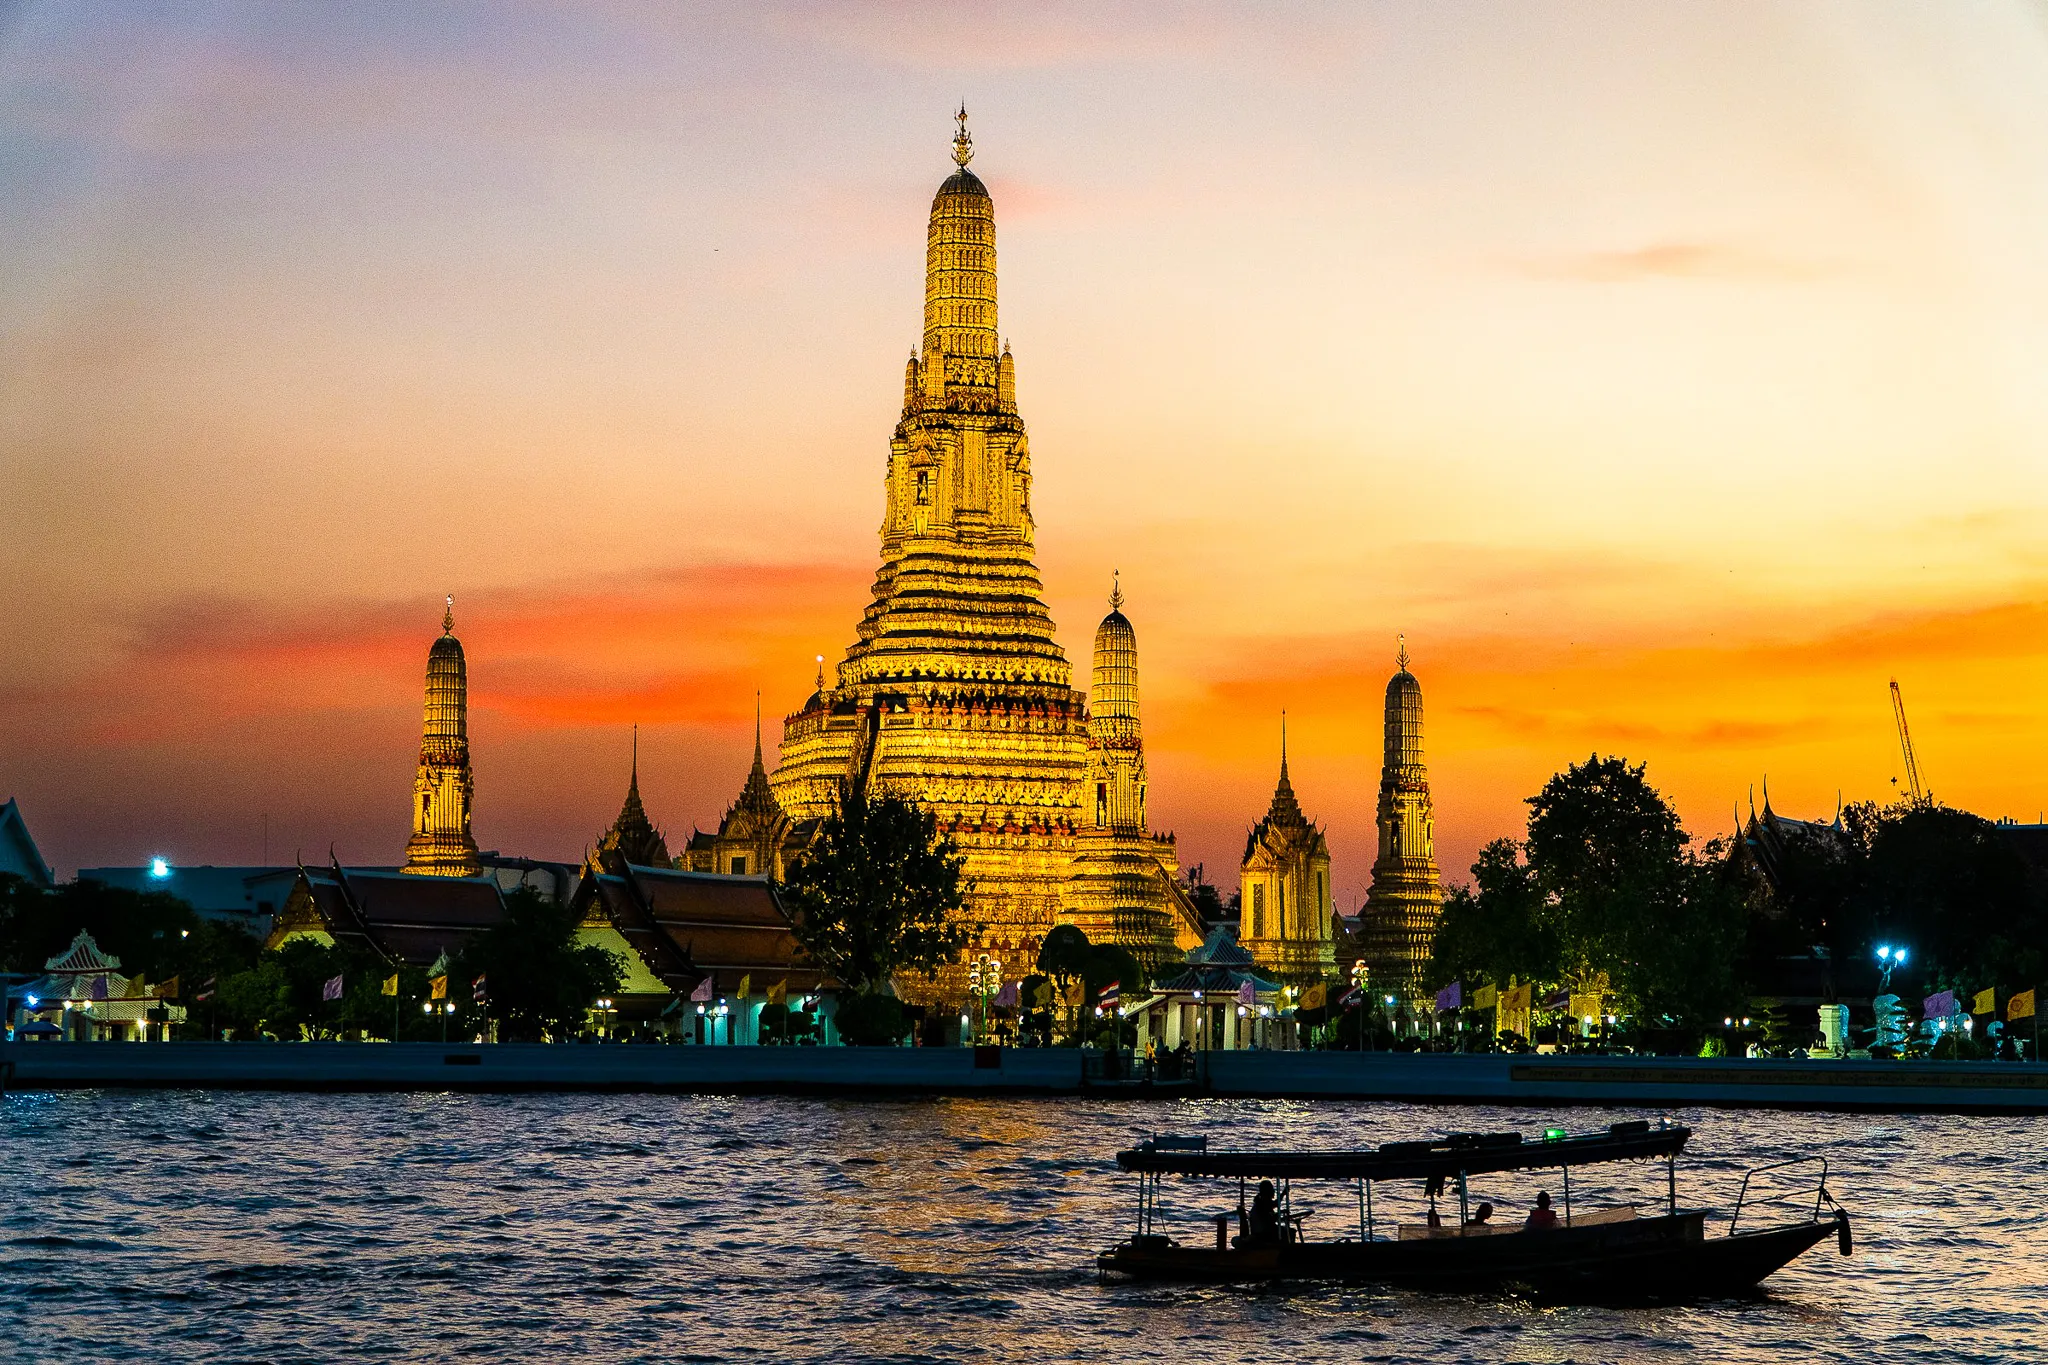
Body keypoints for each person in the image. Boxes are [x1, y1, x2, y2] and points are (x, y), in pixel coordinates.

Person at [1239, 1180, 1280, 1247]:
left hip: (1261, 1233)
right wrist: (1276, 1216)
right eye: (1272, 1190)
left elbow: (1274, 1205)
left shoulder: (1261, 1202)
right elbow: (1268, 1221)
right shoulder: (1261, 1204)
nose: (1274, 1192)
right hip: (1262, 1235)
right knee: (1286, 1232)